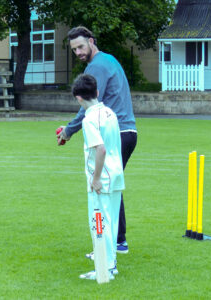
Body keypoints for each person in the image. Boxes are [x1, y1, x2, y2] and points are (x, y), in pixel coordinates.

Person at [57, 26, 137, 255]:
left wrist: (68, 131)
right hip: (127, 132)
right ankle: (119, 241)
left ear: (91, 41)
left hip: (116, 133)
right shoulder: (110, 60)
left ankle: (107, 245)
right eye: (74, 49)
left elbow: (88, 107)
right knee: (113, 187)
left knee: (101, 188)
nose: (78, 52)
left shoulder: (97, 66)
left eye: (81, 46)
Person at [72, 73, 124, 280]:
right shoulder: (110, 112)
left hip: (102, 177)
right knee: (110, 221)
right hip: (116, 173)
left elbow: (100, 149)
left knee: (99, 222)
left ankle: (106, 269)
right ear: (97, 92)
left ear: (79, 98)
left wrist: (95, 178)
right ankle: (111, 265)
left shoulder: (89, 119)